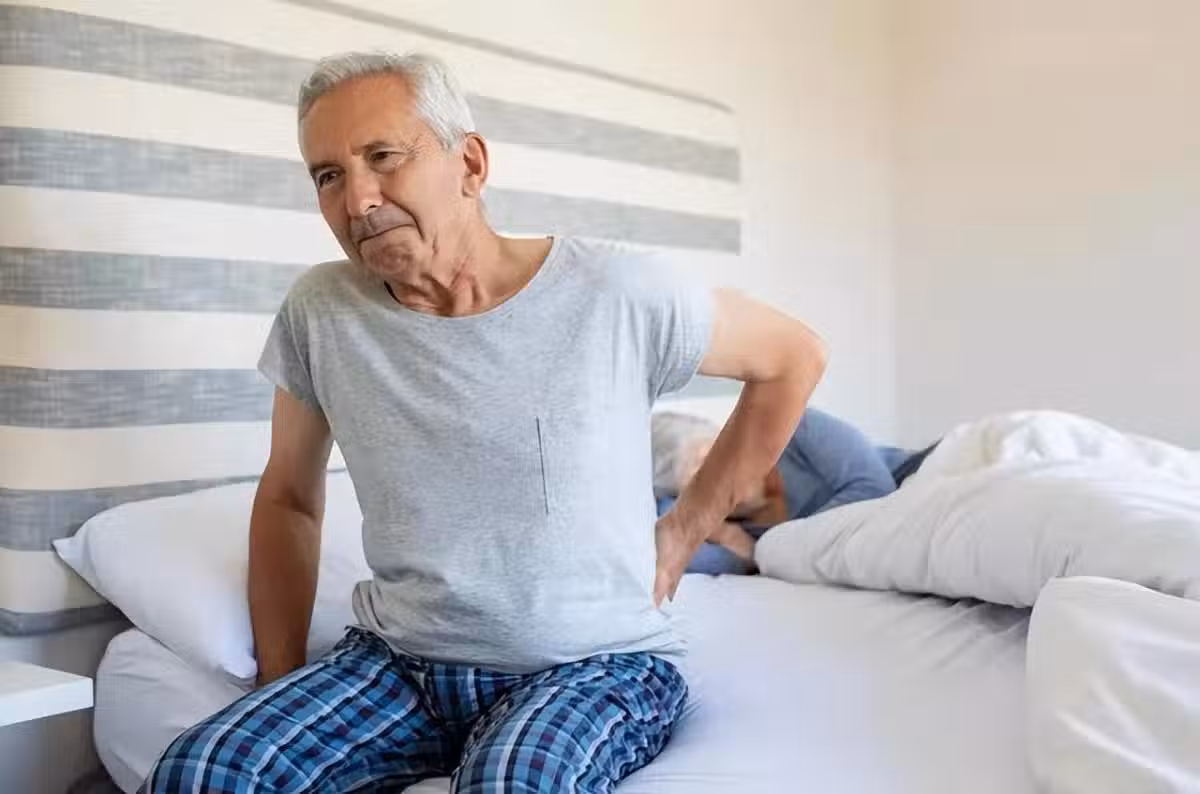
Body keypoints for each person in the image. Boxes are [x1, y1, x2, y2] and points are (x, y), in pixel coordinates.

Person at [140, 51, 827, 794]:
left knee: (508, 784)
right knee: (202, 771)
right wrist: (279, 679)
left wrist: (685, 530)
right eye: (328, 175)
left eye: (382, 157)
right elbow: (289, 499)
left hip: (591, 667)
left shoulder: (615, 290)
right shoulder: (322, 311)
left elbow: (793, 357)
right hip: (399, 665)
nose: (358, 199)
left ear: (469, 163)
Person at [652, 408, 936, 574]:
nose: (715, 478)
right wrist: (726, 536)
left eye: (706, 457)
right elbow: (662, 549)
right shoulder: (735, 532)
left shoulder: (795, 427)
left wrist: (767, 549)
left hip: (928, 474)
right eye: (696, 486)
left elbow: (876, 489)